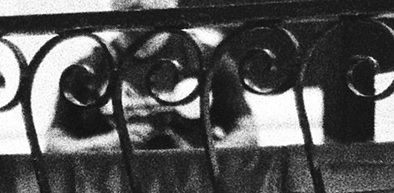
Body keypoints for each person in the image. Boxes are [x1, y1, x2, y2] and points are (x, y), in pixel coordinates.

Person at [47, 0, 259, 153]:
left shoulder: (206, 58)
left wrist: (202, 157)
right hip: (115, 187)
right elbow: (55, 142)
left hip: (190, 185)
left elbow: (247, 132)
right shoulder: (87, 69)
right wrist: (103, 144)